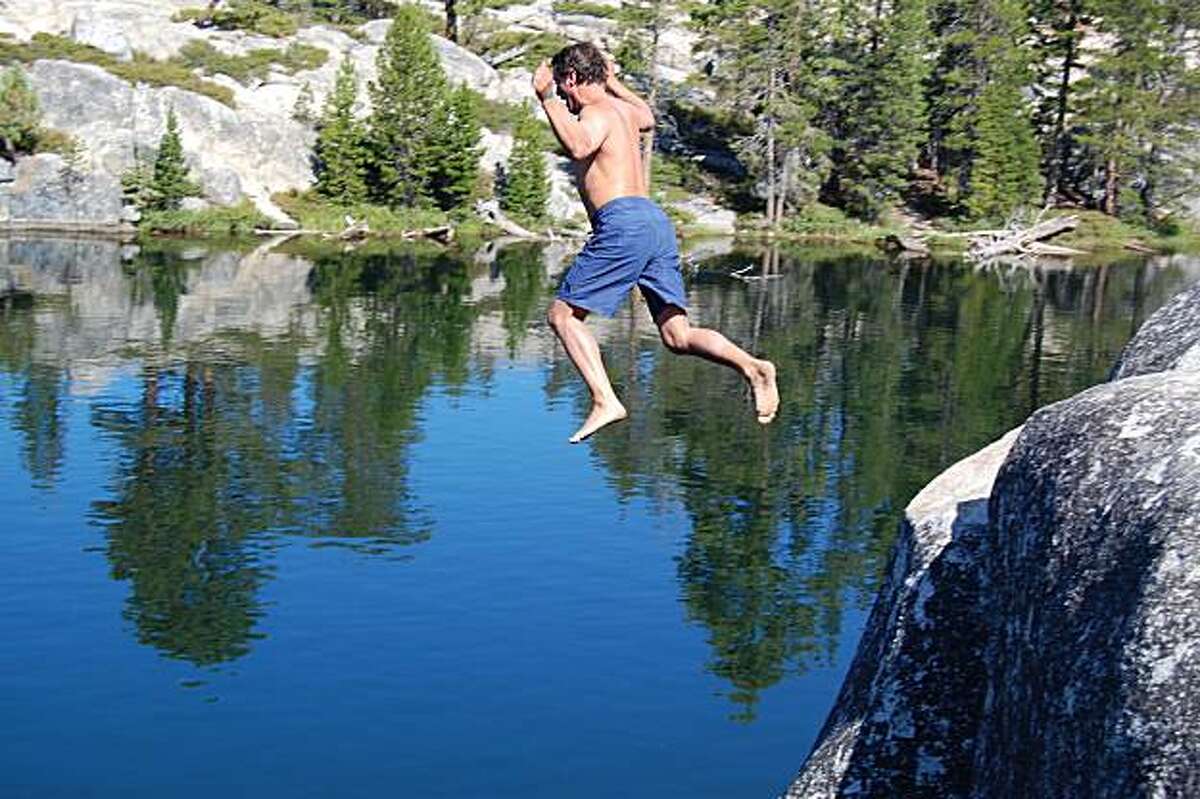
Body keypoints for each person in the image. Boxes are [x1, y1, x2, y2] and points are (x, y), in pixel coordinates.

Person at [534, 42, 779, 443]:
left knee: (563, 317)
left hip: (622, 224)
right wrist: (614, 81)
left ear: (572, 78)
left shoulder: (595, 112)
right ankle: (752, 366)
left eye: (563, 89)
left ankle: (604, 400)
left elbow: (578, 145)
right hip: (654, 223)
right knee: (677, 336)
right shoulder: (624, 111)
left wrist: (545, 98)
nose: (564, 98)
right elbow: (647, 116)